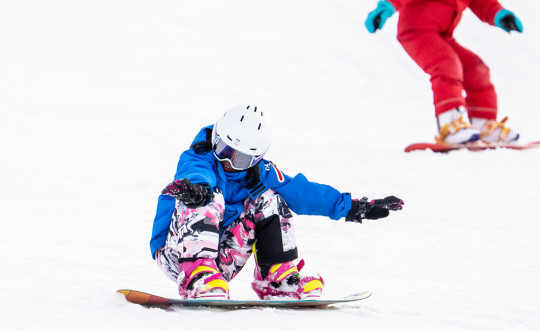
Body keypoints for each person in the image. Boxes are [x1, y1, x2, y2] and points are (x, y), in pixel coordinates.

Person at [150, 104, 404, 300]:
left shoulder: (260, 174)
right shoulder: (198, 158)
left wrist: (354, 207)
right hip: (178, 255)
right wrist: (196, 189)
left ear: (255, 159)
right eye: (224, 150)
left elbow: (303, 192)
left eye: (238, 159)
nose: (228, 162)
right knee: (209, 193)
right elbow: (197, 172)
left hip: (222, 262)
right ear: (214, 138)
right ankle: (197, 276)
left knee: (269, 198)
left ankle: (276, 279)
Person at [365, 0, 523, 144]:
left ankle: (484, 125)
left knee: (475, 68)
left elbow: (482, 3)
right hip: (416, 32)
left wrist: (499, 15)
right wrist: (385, 8)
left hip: (442, 35)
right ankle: (450, 126)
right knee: (446, 64)